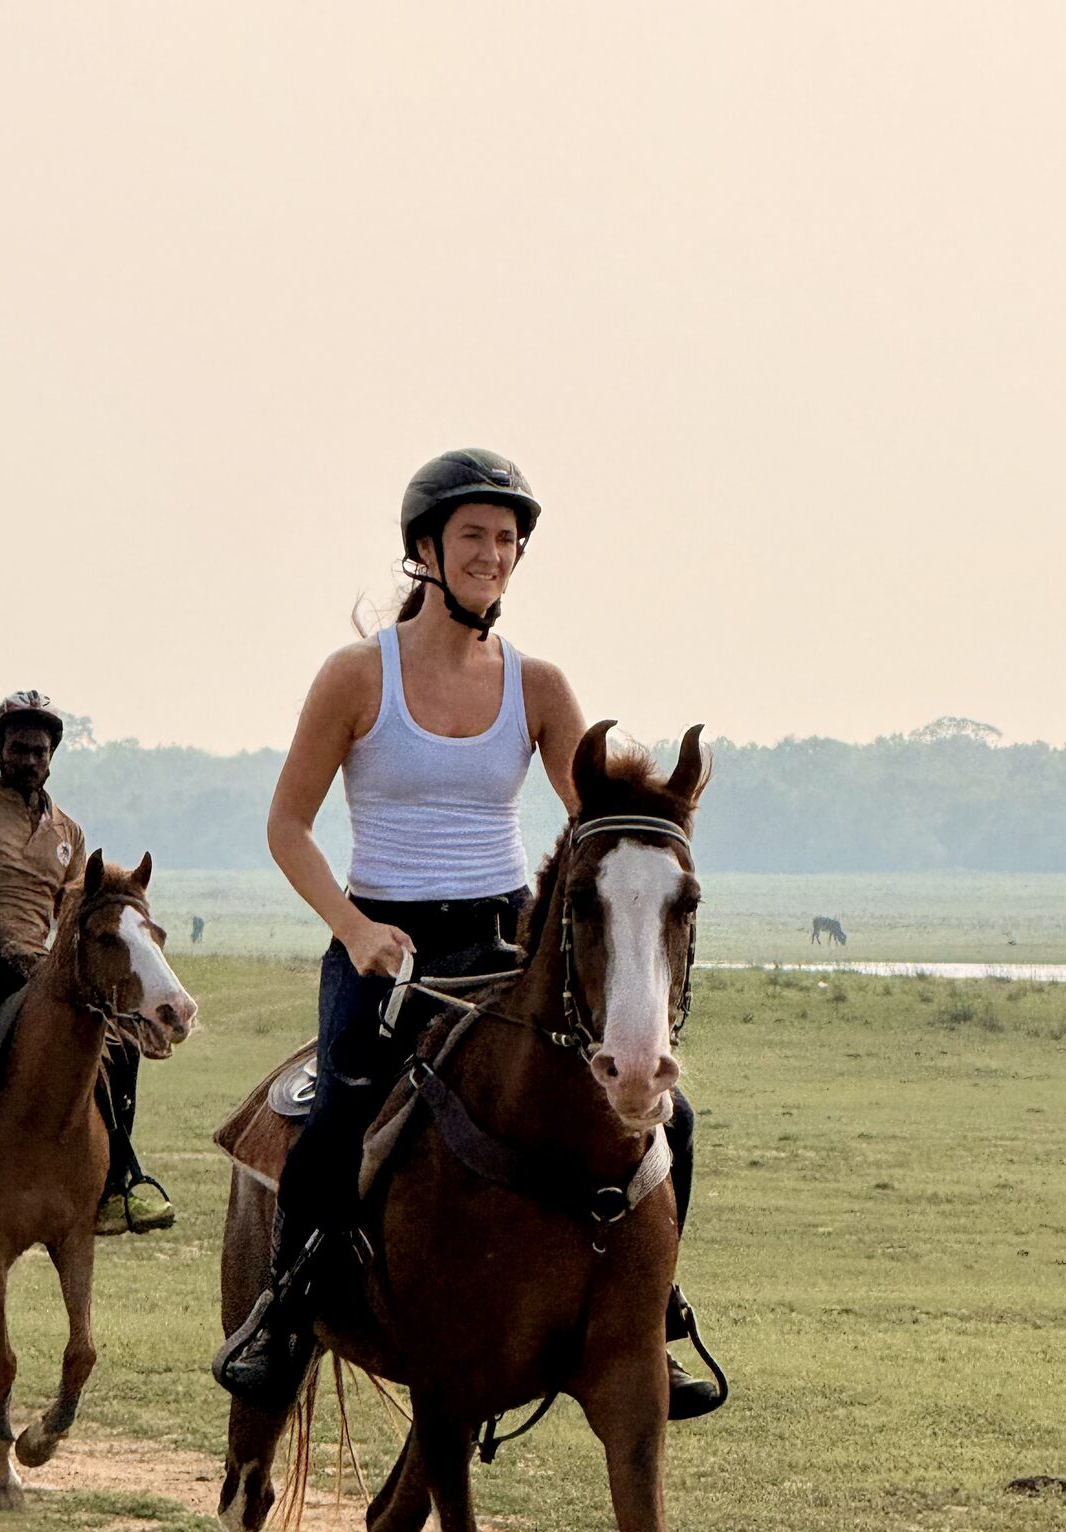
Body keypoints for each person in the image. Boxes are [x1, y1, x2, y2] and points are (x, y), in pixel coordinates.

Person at [214, 447, 723, 1418]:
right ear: (425, 550)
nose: (493, 554)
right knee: (335, 1116)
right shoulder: (357, 676)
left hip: (504, 945)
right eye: (474, 536)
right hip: (385, 949)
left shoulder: (539, 686)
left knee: (674, 1119)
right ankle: (285, 1313)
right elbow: (287, 827)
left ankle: (652, 1317)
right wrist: (354, 928)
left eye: (507, 539)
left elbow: (596, 827)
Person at [0, 690, 174, 1235]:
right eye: (19, 749)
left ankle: (119, 1183)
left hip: (39, 968)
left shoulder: (68, 833)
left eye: (40, 751)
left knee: (118, 1047)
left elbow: (72, 913)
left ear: (52, 757)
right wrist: (2, 945)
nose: (30, 760)